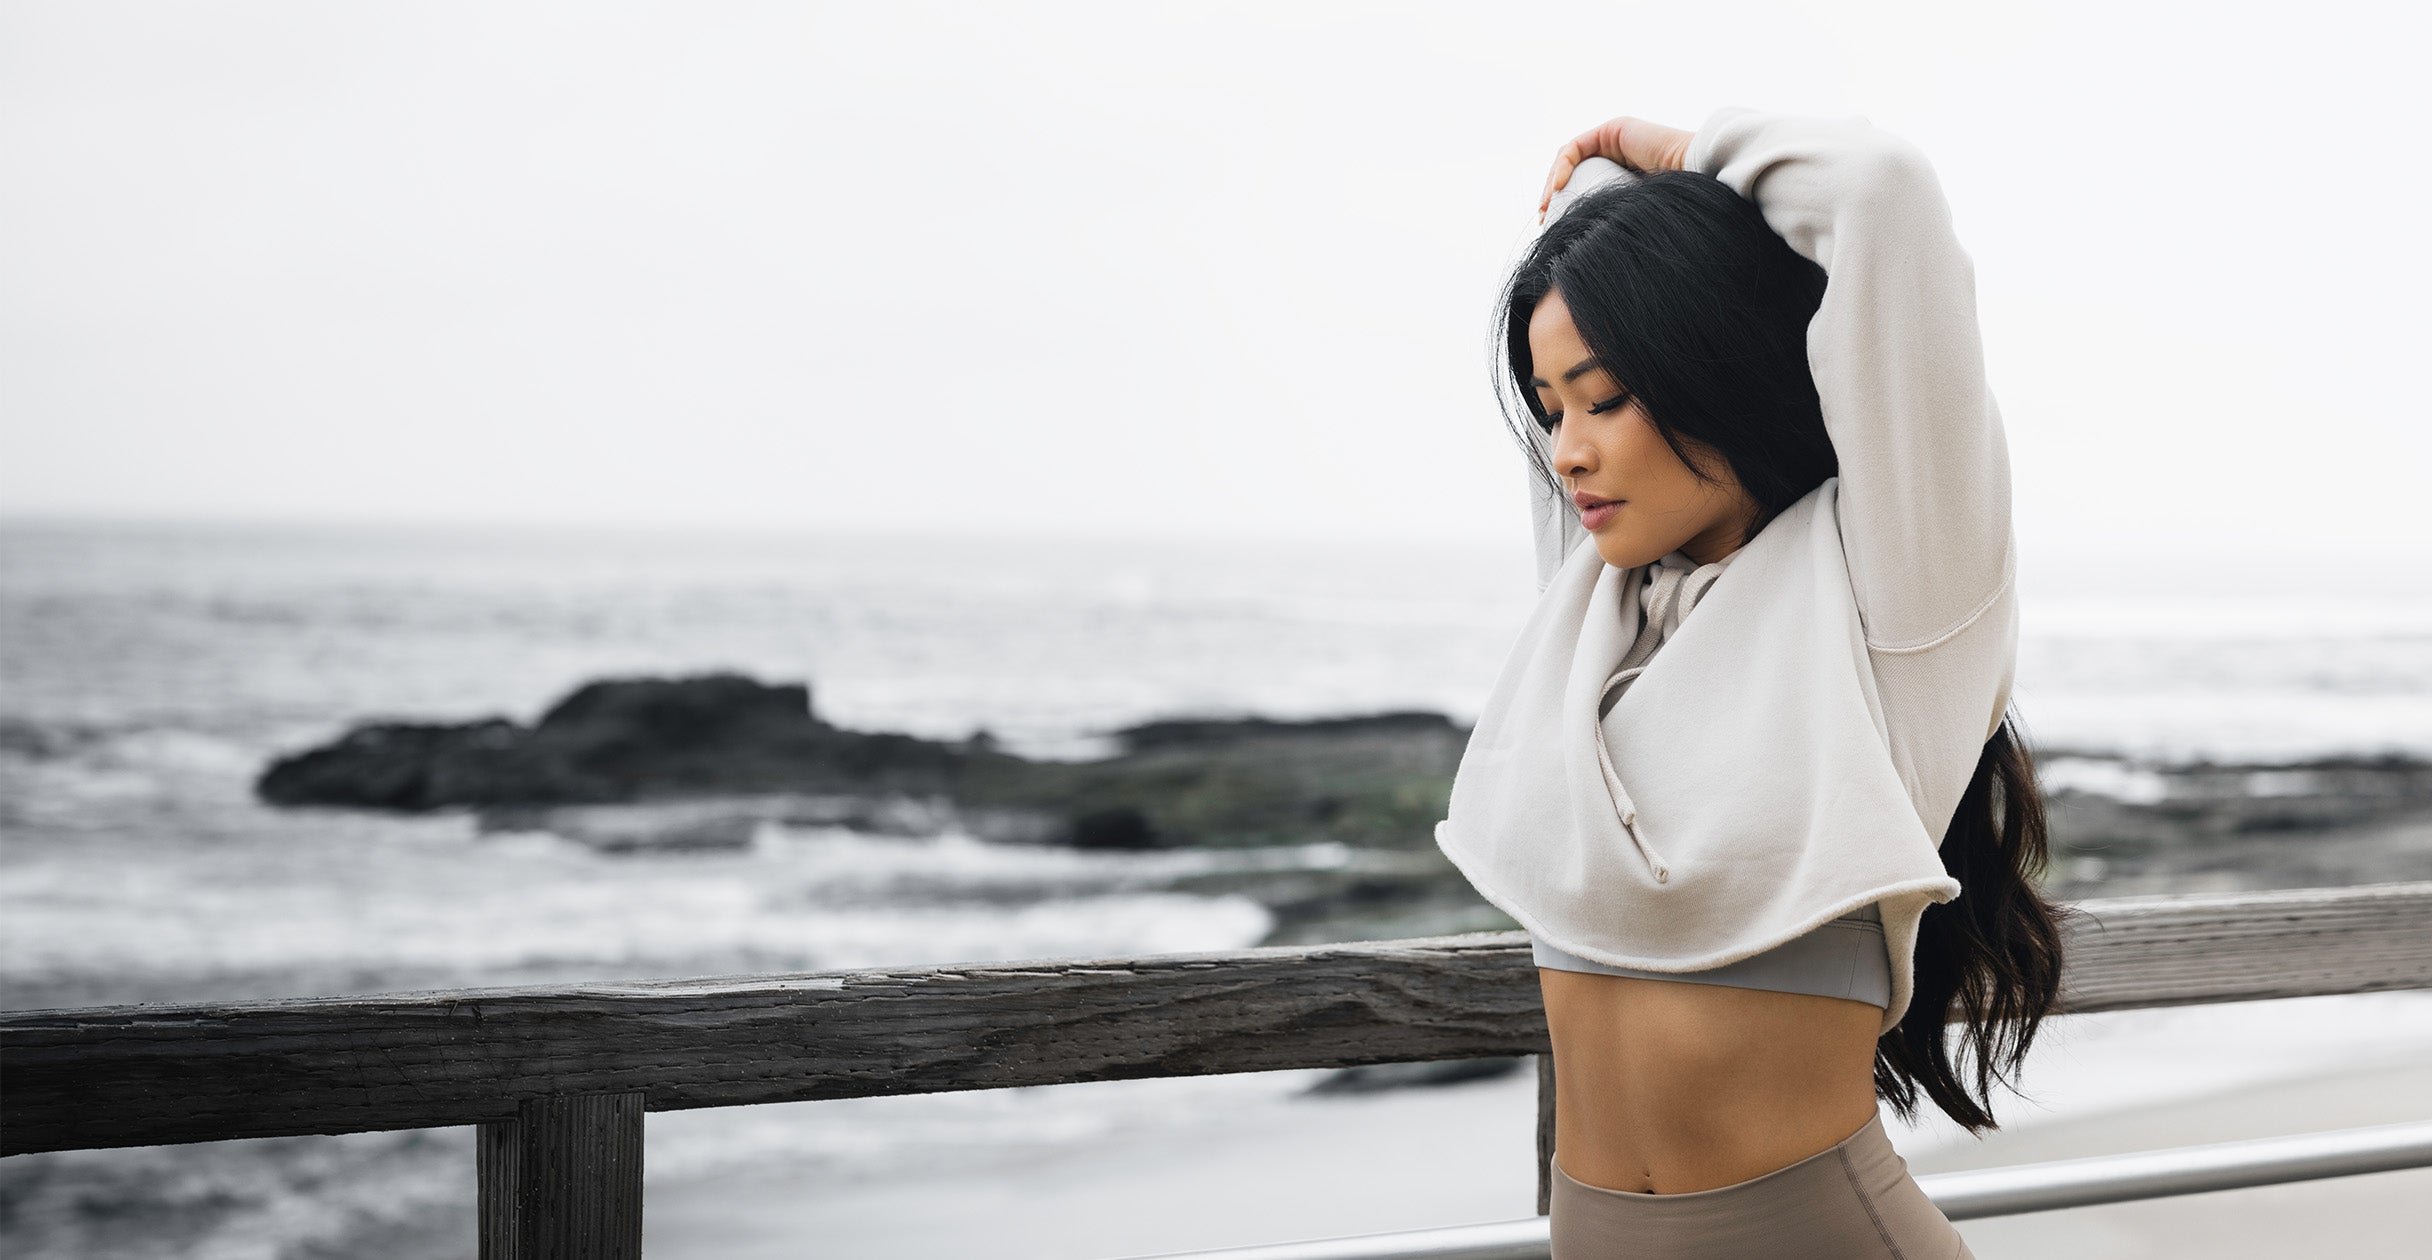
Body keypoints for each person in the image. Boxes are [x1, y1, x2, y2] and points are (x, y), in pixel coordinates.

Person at [1432, 107, 2079, 1258]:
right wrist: (1592, 203)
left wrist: (1678, 159)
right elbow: (1596, 285)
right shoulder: (1589, 608)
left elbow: (1876, 193)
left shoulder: (1891, 594)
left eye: (1605, 397)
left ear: (1713, 370)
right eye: (1549, 409)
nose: (1566, 451)